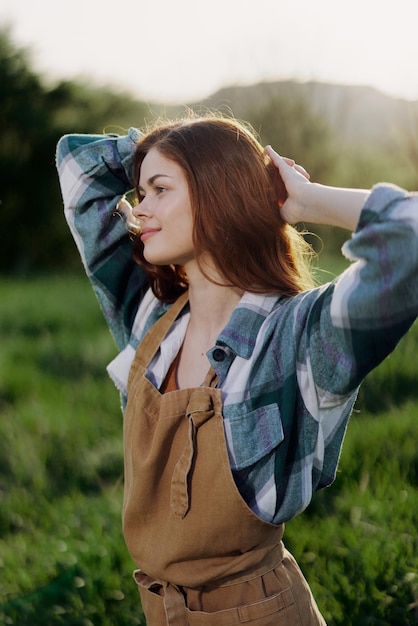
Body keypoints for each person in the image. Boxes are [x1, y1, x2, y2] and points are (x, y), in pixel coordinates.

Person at [56, 114, 418, 626]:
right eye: (140, 193)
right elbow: (77, 166)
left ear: (218, 193)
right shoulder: (154, 321)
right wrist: (163, 151)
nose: (140, 210)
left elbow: (412, 238)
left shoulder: (299, 337)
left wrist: (305, 199)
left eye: (160, 189)